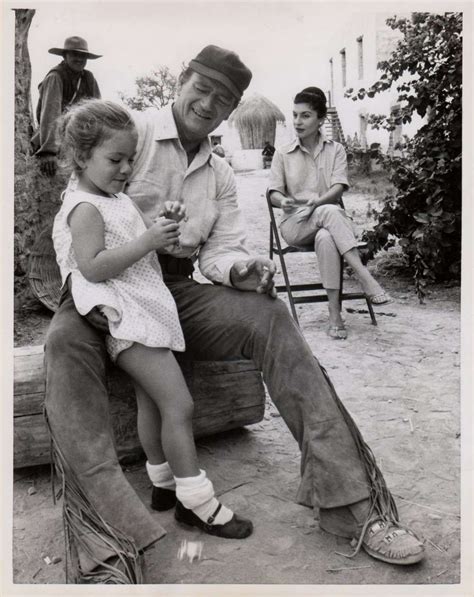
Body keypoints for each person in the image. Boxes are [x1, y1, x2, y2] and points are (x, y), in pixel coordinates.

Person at [44, 45, 424, 583]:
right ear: (180, 81)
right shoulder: (133, 132)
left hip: (168, 290)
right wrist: (92, 292)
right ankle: (102, 539)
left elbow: (218, 254)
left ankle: (351, 507)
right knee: (62, 346)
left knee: (269, 313)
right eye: (201, 88)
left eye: (223, 99)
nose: (208, 103)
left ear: (232, 111)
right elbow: (78, 210)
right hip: (95, 288)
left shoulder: (220, 173)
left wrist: (242, 270)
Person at [52, 98, 252, 547]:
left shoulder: (112, 197)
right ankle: (197, 501)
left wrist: (164, 222)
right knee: (179, 406)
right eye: (115, 159)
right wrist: (148, 241)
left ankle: (162, 483)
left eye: (129, 159)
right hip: (128, 319)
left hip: (145, 311)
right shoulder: (85, 207)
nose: (125, 168)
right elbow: (93, 266)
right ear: (82, 157)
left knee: (152, 404)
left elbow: (131, 231)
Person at [268, 87, 392, 340]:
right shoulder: (282, 153)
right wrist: (285, 203)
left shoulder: (335, 150)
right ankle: (363, 275)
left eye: (305, 116)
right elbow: (273, 194)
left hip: (328, 223)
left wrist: (317, 203)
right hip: (296, 225)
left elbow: (338, 188)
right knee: (329, 212)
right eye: (295, 115)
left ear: (321, 119)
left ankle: (334, 316)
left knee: (326, 236)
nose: (297, 122)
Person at [31, 36, 102, 177]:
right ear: (64, 56)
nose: (79, 59)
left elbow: (98, 112)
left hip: (77, 138)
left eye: (83, 56)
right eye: (75, 54)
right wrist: (49, 151)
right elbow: (50, 114)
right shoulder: (55, 77)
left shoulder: (88, 78)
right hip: (53, 140)